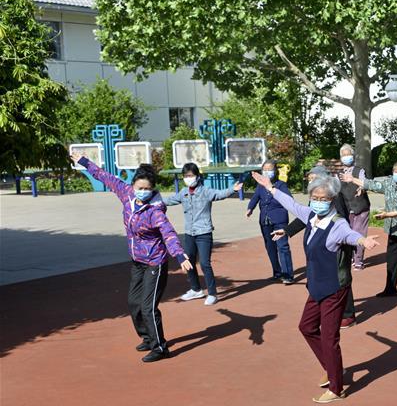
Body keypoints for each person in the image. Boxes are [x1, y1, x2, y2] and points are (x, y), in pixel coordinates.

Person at [251, 171, 379, 403]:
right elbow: (291, 204)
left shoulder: (337, 224)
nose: (318, 202)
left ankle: (337, 387)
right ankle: (333, 369)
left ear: (332, 200)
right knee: (306, 327)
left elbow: (351, 235)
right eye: (315, 198)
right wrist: (270, 188)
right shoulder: (311, 215)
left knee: (330, 337)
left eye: (324, 199)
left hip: (334, 287)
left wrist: (363, 240)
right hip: (317, 286)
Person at [70, 154, 192, 363]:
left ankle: (161, 347)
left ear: (152, 189)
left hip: (156, 262)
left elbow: (169, 233)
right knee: (133, 302)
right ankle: (147, 337)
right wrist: (84, 161)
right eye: (139, 187)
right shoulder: (126, 194)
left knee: (147, 306)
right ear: (133, 185)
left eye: (147, 189)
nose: (142, 192)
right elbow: (104, 176)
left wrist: (179, 255)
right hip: (137, 261)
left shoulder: (155, 212)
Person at [275, 166, 359, 329]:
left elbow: (340, 220)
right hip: (323, 245)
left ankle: (348, 314)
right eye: (309, 178)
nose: (310, 180)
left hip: (339, 244)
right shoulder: (316, 195)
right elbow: (306, 217)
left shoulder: (332, 195)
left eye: (313, 177)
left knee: (340, 279)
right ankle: (327, 310)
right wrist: (287, 230)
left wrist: (353, 240)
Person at [343, 160, 397, 301]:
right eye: (396, 171)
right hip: (393, 229)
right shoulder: (389, 182)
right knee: (391, 261)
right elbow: (373, 184)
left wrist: (386, 215)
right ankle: (390, 289)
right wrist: (353, 179)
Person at [163, 162, 242, 306]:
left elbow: (219, 194)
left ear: (197, 176)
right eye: (186, 176)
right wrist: (152, 201)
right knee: (189, 262)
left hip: (204, 233)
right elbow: (169, 200)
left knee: (205, 263)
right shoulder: (183, 192)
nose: (188, 178)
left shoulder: (205, 191)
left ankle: (212, 293)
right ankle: (196, 289)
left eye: (191, 175)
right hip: (189, 233)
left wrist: (233, 189)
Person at [246, 160, 294, 284]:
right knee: (270, 247)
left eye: (270, 169)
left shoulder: (281, 185)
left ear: (275, 171)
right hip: (265, 221)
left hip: (279, 220)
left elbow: (289, 200)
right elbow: (255, 197)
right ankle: (277, 272)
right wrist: (250, 208)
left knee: (282, 247)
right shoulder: (260, 186)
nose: (267, 172)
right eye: (265, 169)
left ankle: (288, 275)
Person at [337, 144, 371, 270]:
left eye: (348, 154)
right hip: (346, 207)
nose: (347, 157)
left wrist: (361, 189)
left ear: (353, 156)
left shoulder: (359, 171)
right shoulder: (338, 174)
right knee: (348, 232)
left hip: (361, 206)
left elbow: (364, 183)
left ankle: (358, 260)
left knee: (359, 232)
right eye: (344, 155)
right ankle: (350, 256)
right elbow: (335, 188)